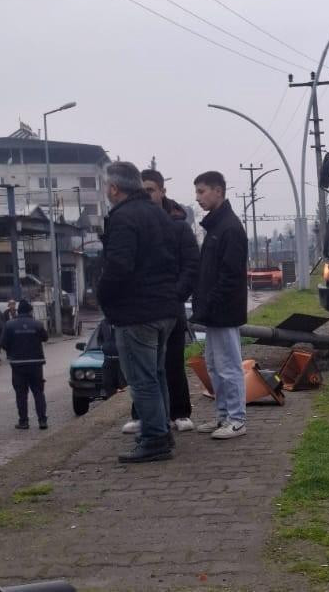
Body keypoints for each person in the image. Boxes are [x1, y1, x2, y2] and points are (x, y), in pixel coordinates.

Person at [97, 161, 180, 464]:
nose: (106, 191)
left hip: (137, 313)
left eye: (106, 186)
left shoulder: (123, 218)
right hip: (164, 309)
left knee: (143, 380)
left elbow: (118, 266)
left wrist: (102, 295)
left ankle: (154, 438)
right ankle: (161, 432)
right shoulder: (158, 214)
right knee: (156, 376)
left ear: (115, 188)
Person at [119, 169, 199, 436]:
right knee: (143, 366)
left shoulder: (178, 224)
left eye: (151, 189)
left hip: (170, 306)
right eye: (143, 190)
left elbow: (190, 265)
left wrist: (177, 295)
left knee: (172, 361)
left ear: (163, 191)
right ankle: (143, 415)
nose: (147, 194)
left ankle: (180, 412)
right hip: (142, 306)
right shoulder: (133, 221)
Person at [191, 171, 248, 439]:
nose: (198, 197)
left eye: (202, 192)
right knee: (214, 365)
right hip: (214, 311)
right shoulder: (217, 227)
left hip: (224, 311)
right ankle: (224, 416)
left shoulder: (230, 228)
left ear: (218, 191)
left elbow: (229, 275)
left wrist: (210, 301)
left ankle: (236, 419)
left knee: (229, 366)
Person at [0, 300, 49, 430]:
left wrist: (12, 351)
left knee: (21, 394)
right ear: (30, 311)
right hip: (36, 364)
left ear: (18, 310)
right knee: (38, 392)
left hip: (18, 364)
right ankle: (42, 420)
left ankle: (23, 421)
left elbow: (3, 343)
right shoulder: (37, 324)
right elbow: (45, 338)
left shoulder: (9, 325)